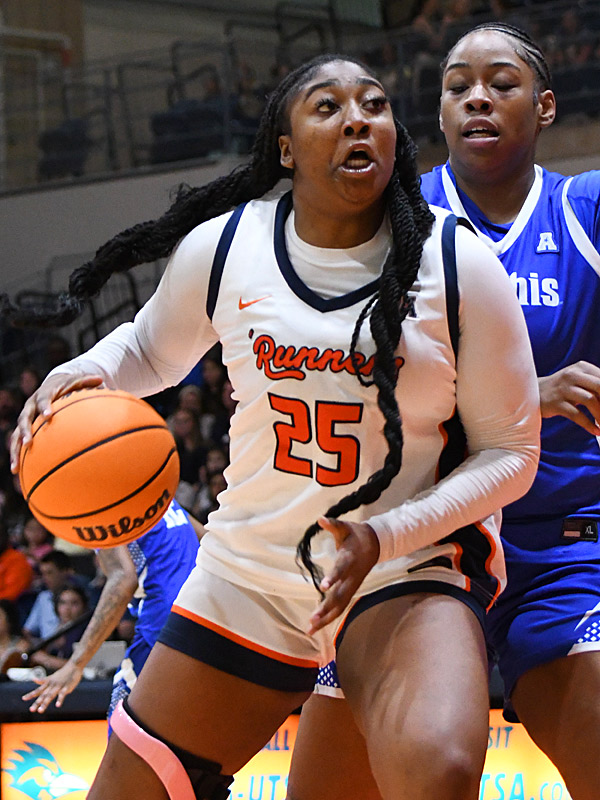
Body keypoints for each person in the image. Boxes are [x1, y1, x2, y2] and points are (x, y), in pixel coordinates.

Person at [6, 54, 540, 800]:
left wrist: (388, 535)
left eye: (375, 105)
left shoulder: (457, 265)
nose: (358, 118)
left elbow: (512, 454)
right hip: (252, 568)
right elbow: (149, 351)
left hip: (401, 565)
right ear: (284, 148)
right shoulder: (228, 247)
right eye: (327, 106)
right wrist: (78, 373)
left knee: (438, 767)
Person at [287, 25, 600, 800]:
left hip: (562, 552)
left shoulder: (585, 211)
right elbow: (349, 390)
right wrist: (525, 400)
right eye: (459, 87)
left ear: (546, 106)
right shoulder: (391, 226)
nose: (478, 99)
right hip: (416, 550)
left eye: (501, 83)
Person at [21, 499, 202, 721]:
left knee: (122, 720)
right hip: (204, 615)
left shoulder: (101, 504)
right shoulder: (158, 492)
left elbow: (122, 579)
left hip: (162, 627)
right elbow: (207, 539)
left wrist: (76, 664)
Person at [27, 584, 90, 674]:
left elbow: (84, 666)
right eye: (63, 603)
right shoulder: (57, 631)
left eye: (74, 603)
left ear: (84, 606)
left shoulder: (87, 632)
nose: (67, 608)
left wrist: (46, 659)